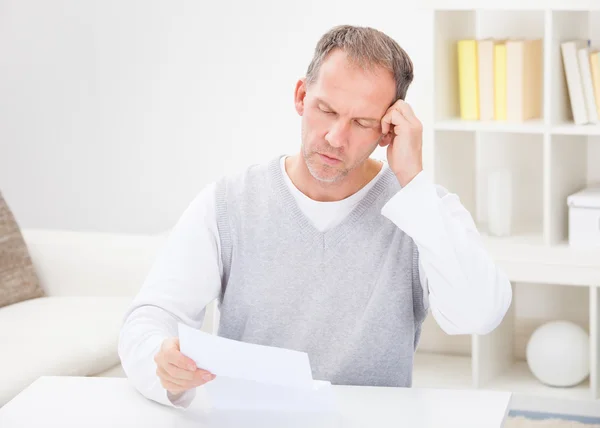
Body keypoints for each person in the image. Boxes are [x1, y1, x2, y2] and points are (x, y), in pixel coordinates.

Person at [118, 24, 512, 408]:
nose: (336, 137)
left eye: (362, 123)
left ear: (387, 130)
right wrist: (161, 358)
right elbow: (150, 318)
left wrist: (414, 183)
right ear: (301, 96)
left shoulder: (422, 209)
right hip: (250, 420)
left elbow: (479, 314)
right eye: (326, 109)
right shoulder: (228, 203)